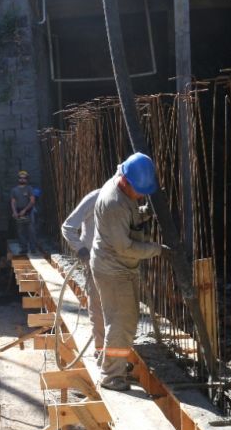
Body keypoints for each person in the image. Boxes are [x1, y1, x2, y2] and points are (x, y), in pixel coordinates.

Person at [91, 152, 166, 392]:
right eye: (140, 191)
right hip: (114, 270)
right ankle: (112, 376)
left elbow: (129, 216)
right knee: (121, 322)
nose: (143, 195)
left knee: (125, 319)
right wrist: (156, 249)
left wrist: (144, 212)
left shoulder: (124, 191)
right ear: (126, 181)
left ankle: (117, 367)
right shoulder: (114, 201)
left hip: (121, 267)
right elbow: (125, 247)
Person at [60, 189, 105, 355]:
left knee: (117, 309)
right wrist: (80, 249)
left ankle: (117, 351)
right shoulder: (95, 198)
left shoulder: (127, 199)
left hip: (117, 264)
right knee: (98, 306)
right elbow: (68, 227)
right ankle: (101, 349)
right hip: (94, 263)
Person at [9, 171, 37, 254]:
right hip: (18, 212)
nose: (22, 179)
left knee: (31, 231)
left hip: (29, 212)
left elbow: (32, 201)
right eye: (21, 178)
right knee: (20, 231)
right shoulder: (14, 190)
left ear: (26, 179)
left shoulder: (29, 189)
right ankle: (24, 248)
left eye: (24, 178)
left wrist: (25, 210)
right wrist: (14, 211)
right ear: (18, 179)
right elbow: (13, 202)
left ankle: (33, 249)